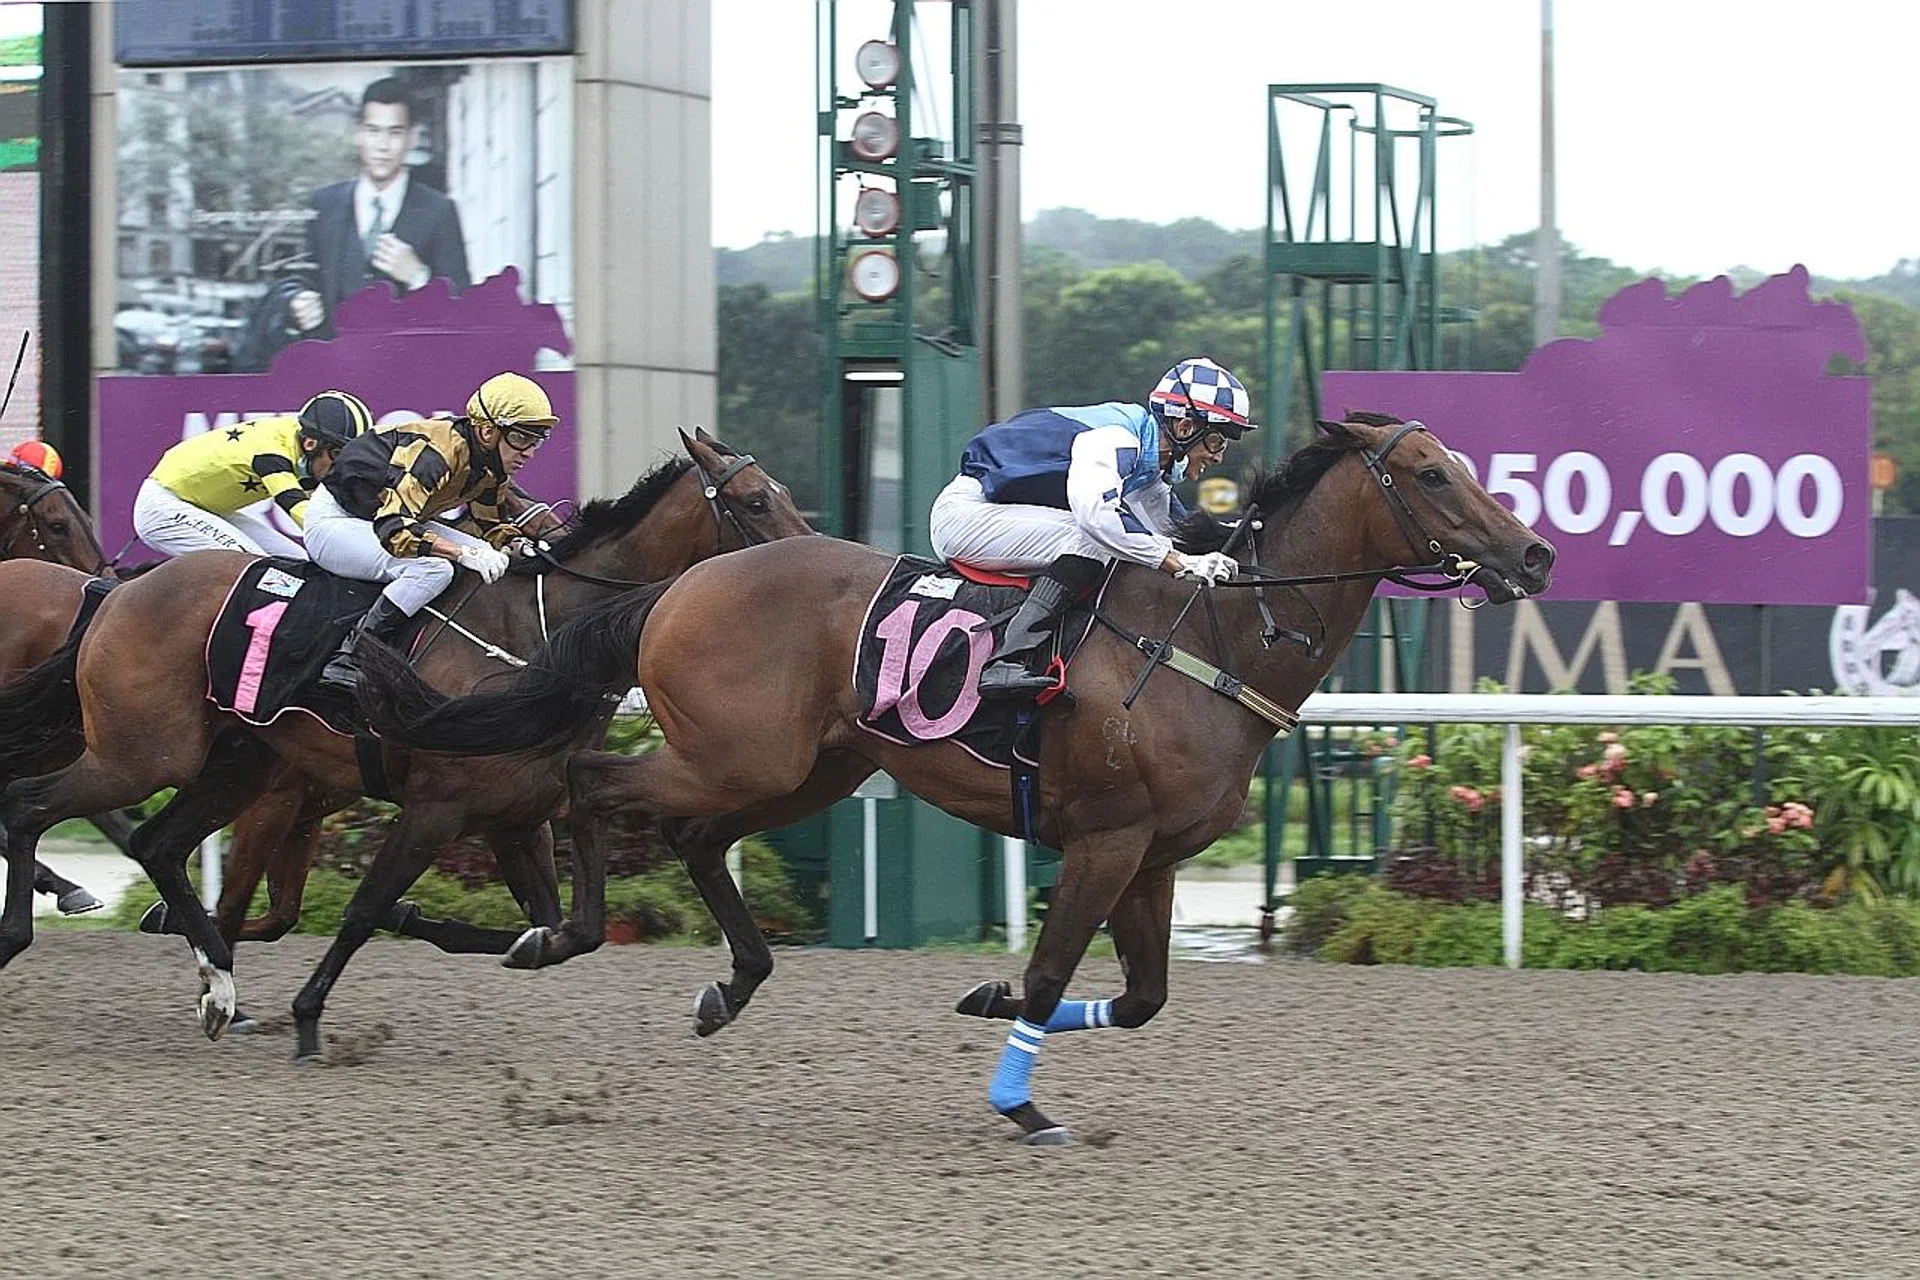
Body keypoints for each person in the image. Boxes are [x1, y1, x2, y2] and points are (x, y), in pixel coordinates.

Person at [928, 356, 1257, 699]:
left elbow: (1175, 533)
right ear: (1186, 428)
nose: (1219, 456)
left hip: (997, 515)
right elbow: (1097, 516)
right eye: (1217, 441)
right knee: (1092, 540)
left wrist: (1239, 539)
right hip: (967, 515)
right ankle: (1008, 661)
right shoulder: (1116, 438)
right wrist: (1180, 563)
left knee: (1121, 547)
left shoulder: (1147, 468)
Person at [305, 371, 559, 692]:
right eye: (521, 438)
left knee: (492, 560)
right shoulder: (435, 455)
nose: (529, 452)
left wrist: (522, 546)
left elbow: (490, 526)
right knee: (435, 569)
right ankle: (351, 655)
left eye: (536, 441)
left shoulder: (492, 468)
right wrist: (462, 552)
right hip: (335, 521)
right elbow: (395, 531)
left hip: (379, 517)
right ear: (486, 431)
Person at [289, 77, 471, 340]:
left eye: (394, 132)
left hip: (405, 372)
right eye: (374, 131)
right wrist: (298, 301)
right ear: (358, 133)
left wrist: (419, 277)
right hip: (334, 370)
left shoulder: (439, 211)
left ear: (412, 137)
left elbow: (465, 311)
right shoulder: (324, 204)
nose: (383, 146)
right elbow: (303, 278)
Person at [133, 390, 374, 559]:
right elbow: (308, 517)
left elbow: (338, 507)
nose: (341, 468)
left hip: (204, 507)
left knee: (301, 563)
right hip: (164, 506)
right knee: (258, 569)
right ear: (312, 443)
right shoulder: (272, 452)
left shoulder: (303, 447)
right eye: (338, 455)